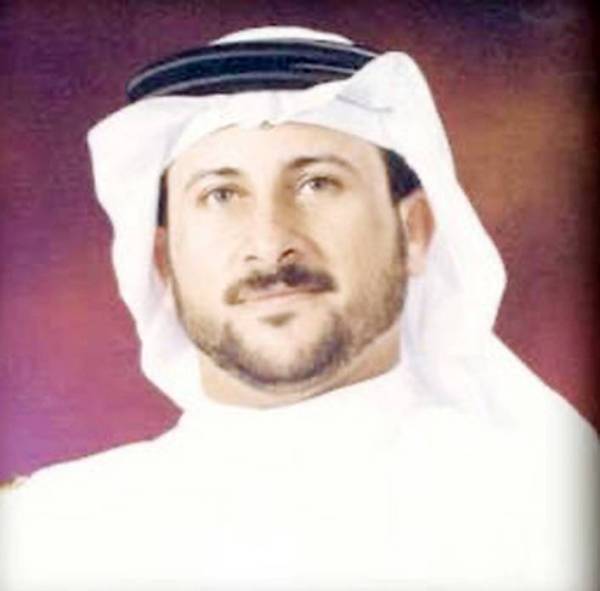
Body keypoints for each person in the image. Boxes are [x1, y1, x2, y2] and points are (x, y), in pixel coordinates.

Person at [2, 26, 597, 591]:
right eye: (220, 195)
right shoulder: (51, 535)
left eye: (318, 184)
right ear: (162, 262)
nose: (269, 243)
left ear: (414, 230)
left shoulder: (545, 512)